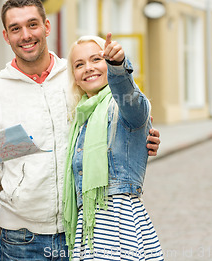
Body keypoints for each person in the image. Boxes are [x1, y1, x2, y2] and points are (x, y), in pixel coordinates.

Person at [0, 0, 161, 260]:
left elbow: (123, 110)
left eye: (33, 25)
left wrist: (144, 135)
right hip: (22, 239)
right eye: (16, 29)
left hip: (84, 232)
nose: (26, 35)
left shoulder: (77, 75)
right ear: (6, 36)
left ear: (47, 27)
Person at [63, 34, 163, 260]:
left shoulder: (125, 106)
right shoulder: (79, 119)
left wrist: (118, 66)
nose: (88, 68)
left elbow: (128, 95)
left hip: (120, 225)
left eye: (96, 59)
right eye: (79, 65)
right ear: (75, 78)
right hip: (89, 230)